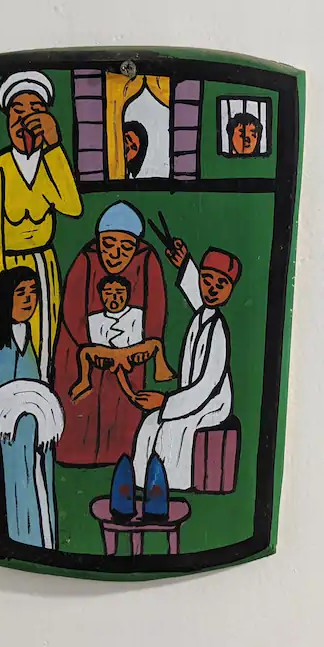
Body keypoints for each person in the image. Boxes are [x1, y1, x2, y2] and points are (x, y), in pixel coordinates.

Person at [0, 70, 83, 385]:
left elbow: (72, 206)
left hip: (44, 267)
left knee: (46, 338)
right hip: (12, 271)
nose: (26, 119)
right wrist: (6, 283)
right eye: (18, 111)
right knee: (14, 340)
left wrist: (54, 146)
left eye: (35, 110)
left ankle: (45, 396)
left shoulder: (50, 162)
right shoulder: (1, 167)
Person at [53, 202, 168, 466]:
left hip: (130, 352)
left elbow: (156, 308)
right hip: (83, 350)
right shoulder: (86, 259)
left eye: (126, 247)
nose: (115, 254)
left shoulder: (147, 259)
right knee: (82, 404)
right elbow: (72, 309)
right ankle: (75, 456)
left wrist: (140, 348)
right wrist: (96, 349)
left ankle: (120, 455)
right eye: (108, 245)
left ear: (136, 246)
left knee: (122, 407)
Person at [131, 239, 241, 490]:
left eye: (221, 284)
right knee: (150, 424)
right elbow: (196, 293)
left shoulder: (218, 329)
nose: (212, 289)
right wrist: (184, 263)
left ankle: (171, 485)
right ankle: (141, 483)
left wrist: (165, 402)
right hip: (188, 399)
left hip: (211, 404)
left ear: (230, 290)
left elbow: (207, 386)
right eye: (207, 280)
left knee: (175, 429)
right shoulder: (201, 315)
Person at [0, 267, 64, 549]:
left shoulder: (28, 338)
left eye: (33, 292)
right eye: (20, 292)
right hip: (13, 440)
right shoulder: (3, 345)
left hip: (34, 437)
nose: (28, 299)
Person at [69, 274, 175, 402]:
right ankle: (84, 381)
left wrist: (127, 354)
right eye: (108, 293)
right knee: (85, 352)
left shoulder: (137, 314)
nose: (114, 297)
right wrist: (111, 355)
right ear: (101, 295)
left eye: (119, 292)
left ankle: (162, 373)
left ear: (127, 294)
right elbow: (97, 344)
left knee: (155, 344)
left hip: (131, 352)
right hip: (107, 354)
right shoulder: (94, 319)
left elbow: (137, 339)